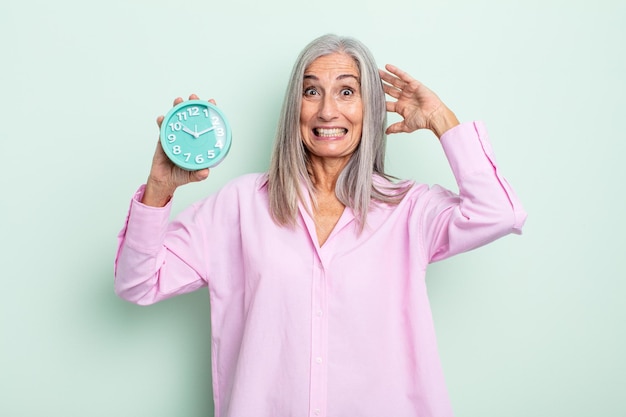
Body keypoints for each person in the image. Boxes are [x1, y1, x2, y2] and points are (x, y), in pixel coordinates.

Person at [114, 34, 526, 417]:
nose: (328, 110)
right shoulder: (238, 206)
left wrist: (441, 119)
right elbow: (138, 283)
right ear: (295, 106)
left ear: (370, 110)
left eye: (347, 92)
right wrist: (159, 188)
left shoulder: (410, 209)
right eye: (312, 91)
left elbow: (498, 213)